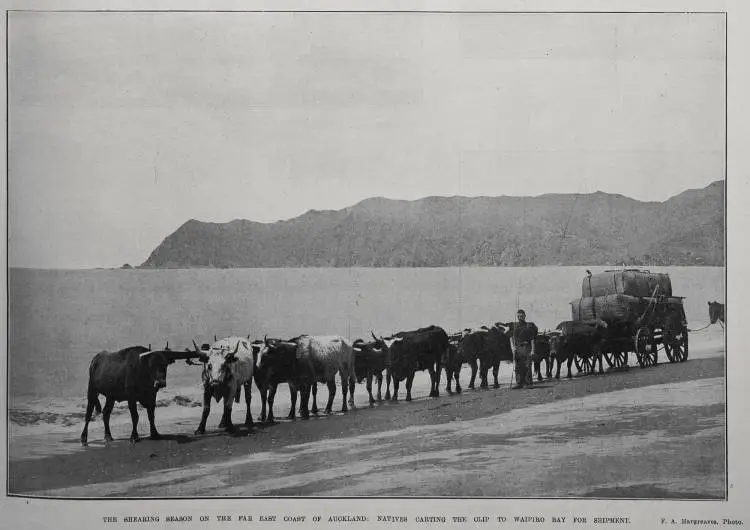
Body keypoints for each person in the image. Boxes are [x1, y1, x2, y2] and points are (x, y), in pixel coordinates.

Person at [506, 309, 538, 389]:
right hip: (517, 348)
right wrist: (512, 347)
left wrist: (533, 350)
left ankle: (528, 383)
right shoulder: (514, 326)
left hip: (526, 347)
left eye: (521, 316)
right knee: (518, 366)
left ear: (525, 316)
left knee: (527, 365)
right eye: (518, 316)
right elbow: (510, 337)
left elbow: (532, 339)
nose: (520, 317)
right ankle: (519, 383)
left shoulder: (528, 326)